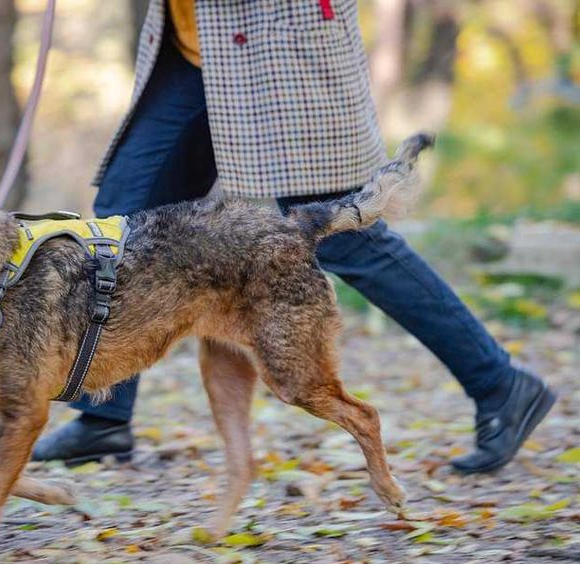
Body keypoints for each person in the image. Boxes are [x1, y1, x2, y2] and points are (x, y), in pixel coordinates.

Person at [31, 0, 556, 474]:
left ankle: (500, 385)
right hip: (195, 49)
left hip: (280, 50)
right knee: (123, 218)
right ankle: (104, 418)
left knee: (345, 234)